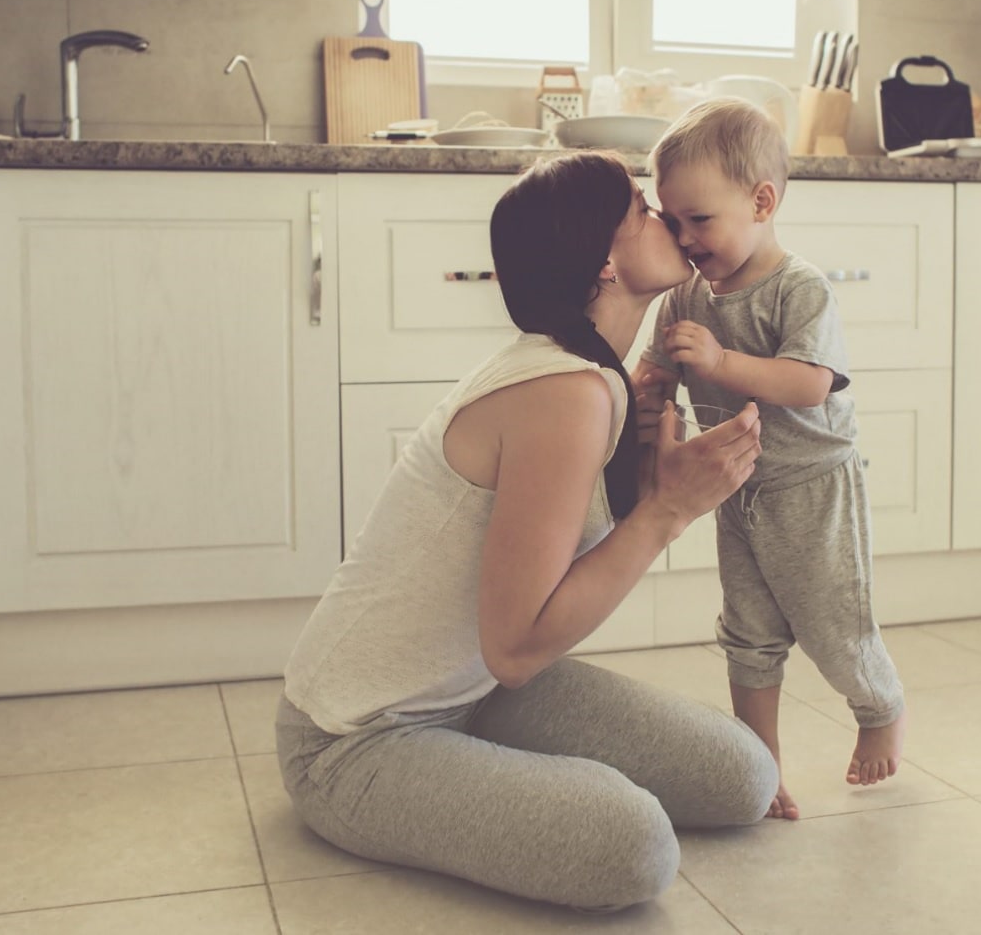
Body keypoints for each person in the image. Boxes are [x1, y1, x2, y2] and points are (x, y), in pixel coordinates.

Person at [276, 150, 777, 912]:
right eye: (641, 209)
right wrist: (667, 509)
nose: (665, 215)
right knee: (633, 848)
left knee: (742, 777)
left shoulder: (589, 375)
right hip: (353, 737)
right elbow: (518, 647)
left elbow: (518, 638)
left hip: (475, 690)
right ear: (605, 260)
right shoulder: (561, 392)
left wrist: (647, 482)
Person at [634, 98, 907, 821]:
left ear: (761, 201)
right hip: (738, 491)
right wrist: (646, 387)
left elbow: (810, 384)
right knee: (747, 633)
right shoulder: (683, 298)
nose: (685, 239)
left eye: (700, 220)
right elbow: (656, 372)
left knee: (831, 624)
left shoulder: (799, 289)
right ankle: (760, 767)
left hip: (814, 487)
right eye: (672, 222)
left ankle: (878, 706)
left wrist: (721, 360)